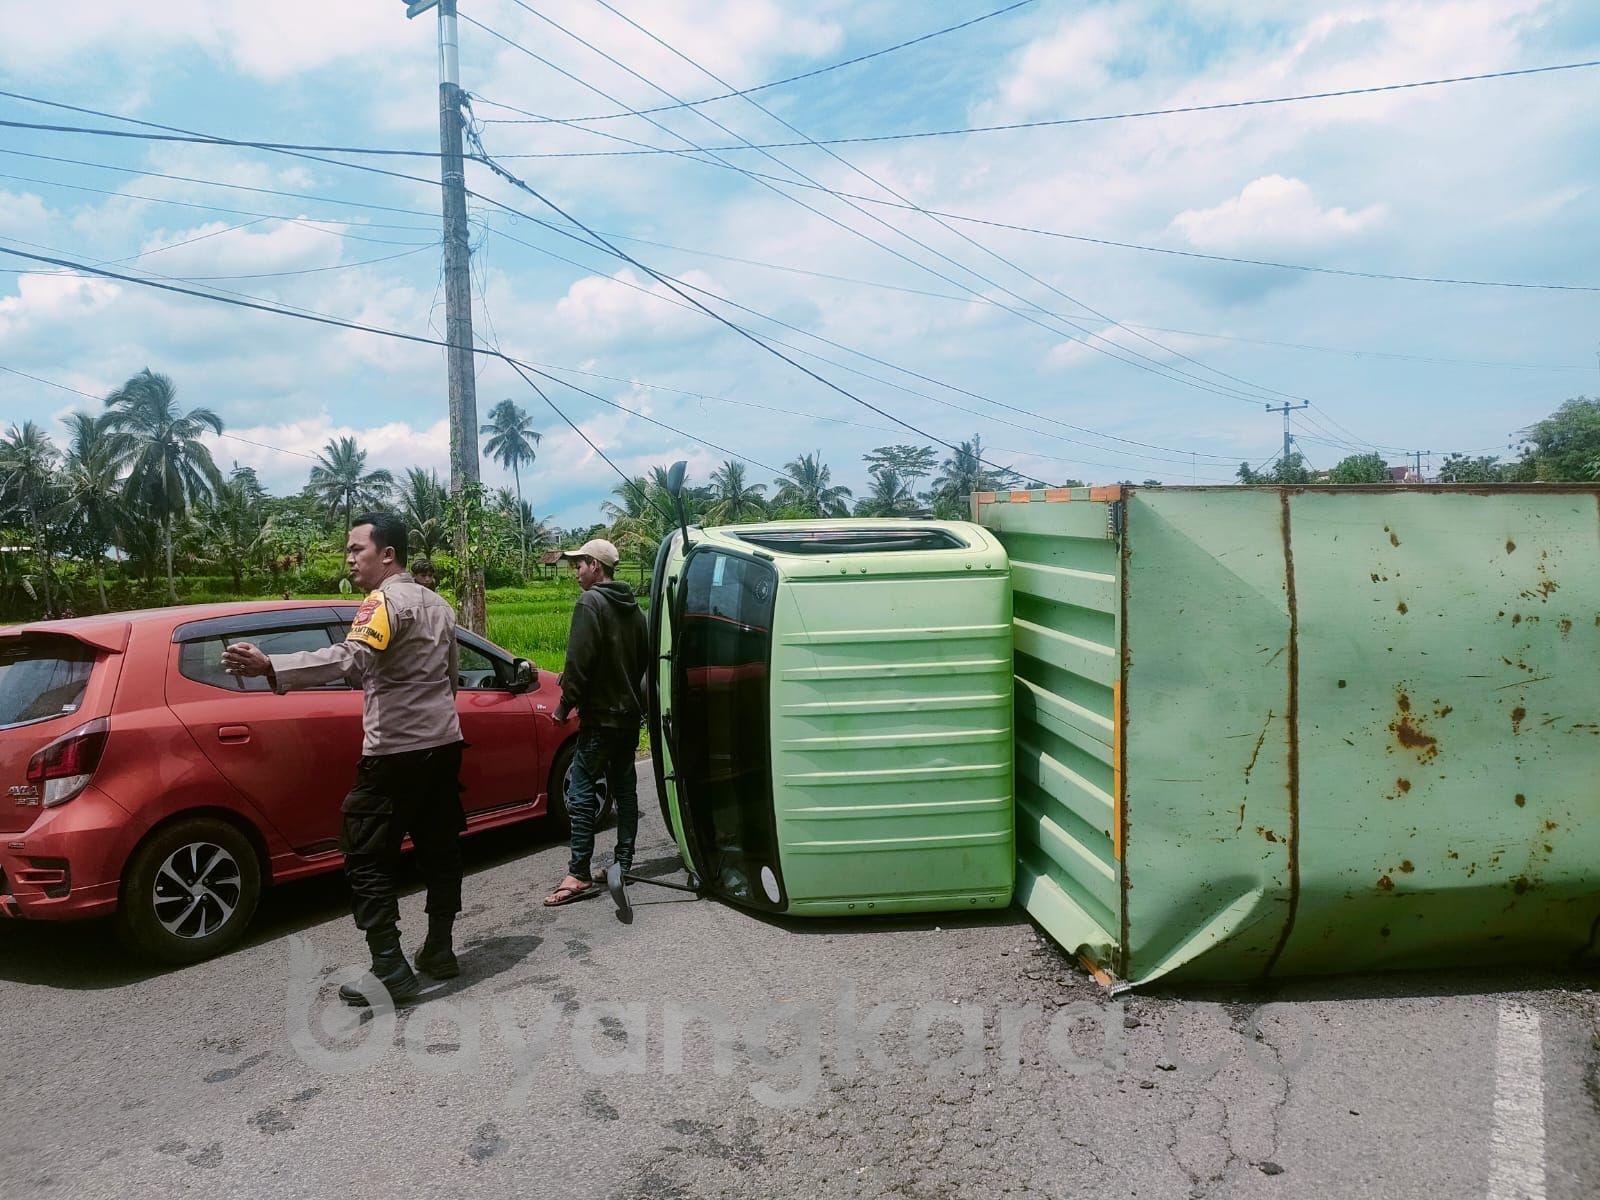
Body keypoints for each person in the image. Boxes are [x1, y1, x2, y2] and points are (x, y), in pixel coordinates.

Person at [221, 512, 464, 1006]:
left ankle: (390, 967)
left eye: (357, 549)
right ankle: (440, 949)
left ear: (387, 554)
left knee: (364, 857)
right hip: (442, 745)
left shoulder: (380, 602)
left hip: (394, 752)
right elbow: (451, 676)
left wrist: (274, 665)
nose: (349, 559)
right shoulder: (438, 604)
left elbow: (352, 659)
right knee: (440, 849)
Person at [543, 538, 648, 906]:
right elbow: (639, 665)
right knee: (625, 788)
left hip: (600, 717)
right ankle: (624, 863)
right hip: (628, 717)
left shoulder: (591, 602)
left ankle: (578, 873)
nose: (576, 572)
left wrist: (563, 706)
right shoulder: (635, 611)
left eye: (580, 565)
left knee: (581, 788)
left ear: (596, 567)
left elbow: (580, 662)